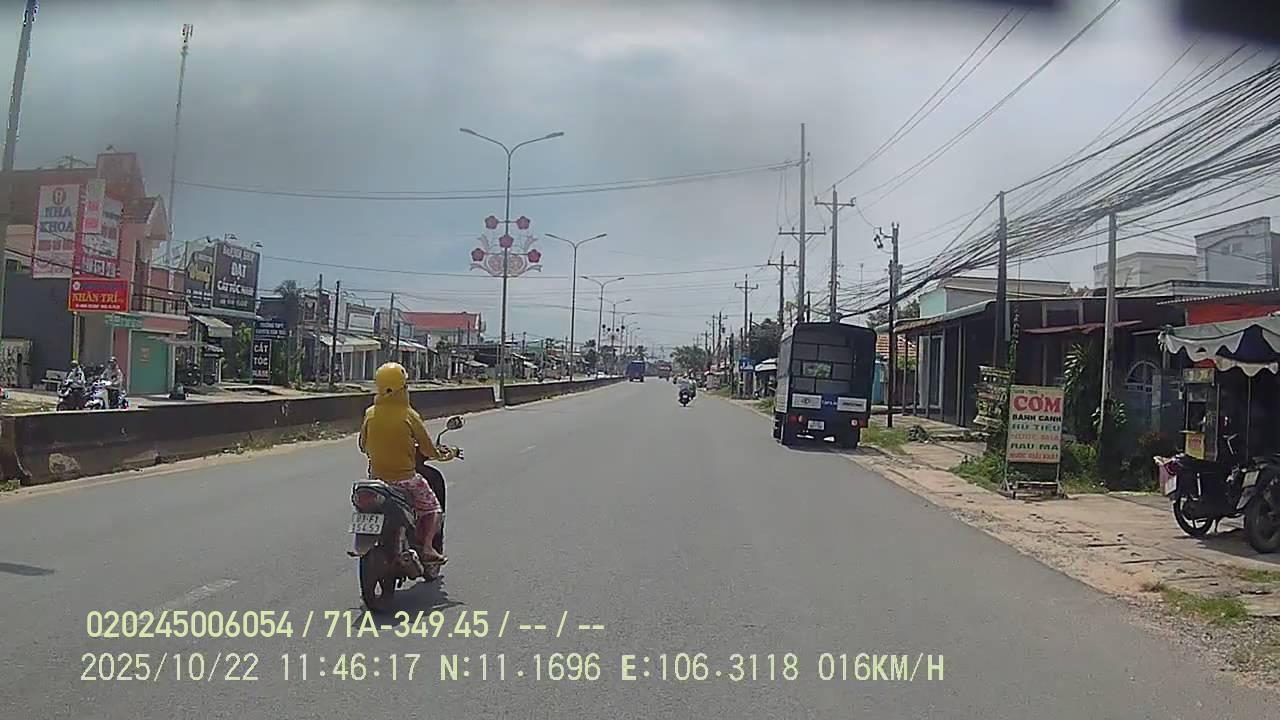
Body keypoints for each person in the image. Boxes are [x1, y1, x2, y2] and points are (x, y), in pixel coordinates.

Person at [358, 362, 454, 568]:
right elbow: (428, 449)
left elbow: (362, 445)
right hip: (405, 479)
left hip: (376, 480)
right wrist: (442, 454)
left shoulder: (370, 413)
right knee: (433, 509)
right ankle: (427, 548)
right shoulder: (409, 415)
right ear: (402, 388)